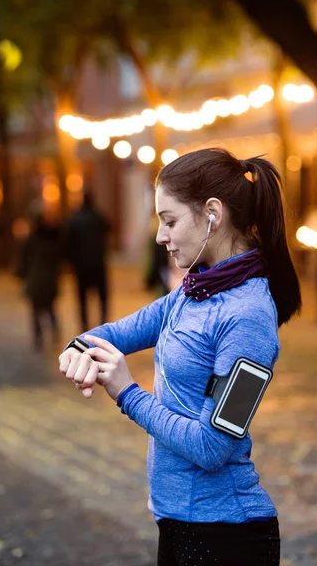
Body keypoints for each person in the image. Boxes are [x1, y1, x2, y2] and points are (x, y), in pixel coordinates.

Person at [59, 148, 302, 566]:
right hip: (177, 523)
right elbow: (115, 332)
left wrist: (126, 392)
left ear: (212, 213)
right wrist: (77, 350)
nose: (159, 236)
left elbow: (213, 447)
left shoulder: (248, 317)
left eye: (169, 220)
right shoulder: (191, 294)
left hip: (227, 538)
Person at [16, 209, 63, 350]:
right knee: (50, 308)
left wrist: (21, 275)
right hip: (49, 280)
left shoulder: (31, 239)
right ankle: (54, 332)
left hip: (36, 280)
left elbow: (23, 260)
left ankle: (39, 338)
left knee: (36, 310)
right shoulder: (53, 239)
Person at [65, 191, 111, 330]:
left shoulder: (75, 218)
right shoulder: (97, 216)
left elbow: (68, 242)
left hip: (81, 265)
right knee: (102, 297)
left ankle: (84, 326)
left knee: (82, 298)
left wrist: (70, 262)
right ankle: (103, 323)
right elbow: (109, 228)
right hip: (98, 263)